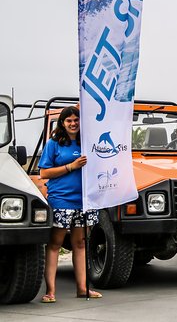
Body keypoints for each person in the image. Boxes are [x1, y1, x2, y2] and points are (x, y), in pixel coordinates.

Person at [38, 107, 101, 302]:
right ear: (62, 123)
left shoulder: (89, 144)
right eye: (69, 120)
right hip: (61, 200)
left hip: (85, 201)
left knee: (80, 244)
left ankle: (83, 289)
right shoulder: (54, 144)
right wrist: (71, 166)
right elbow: (44, 173)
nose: (73, 123)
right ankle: (50, 291)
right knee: (55, 244)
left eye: (76, 120)